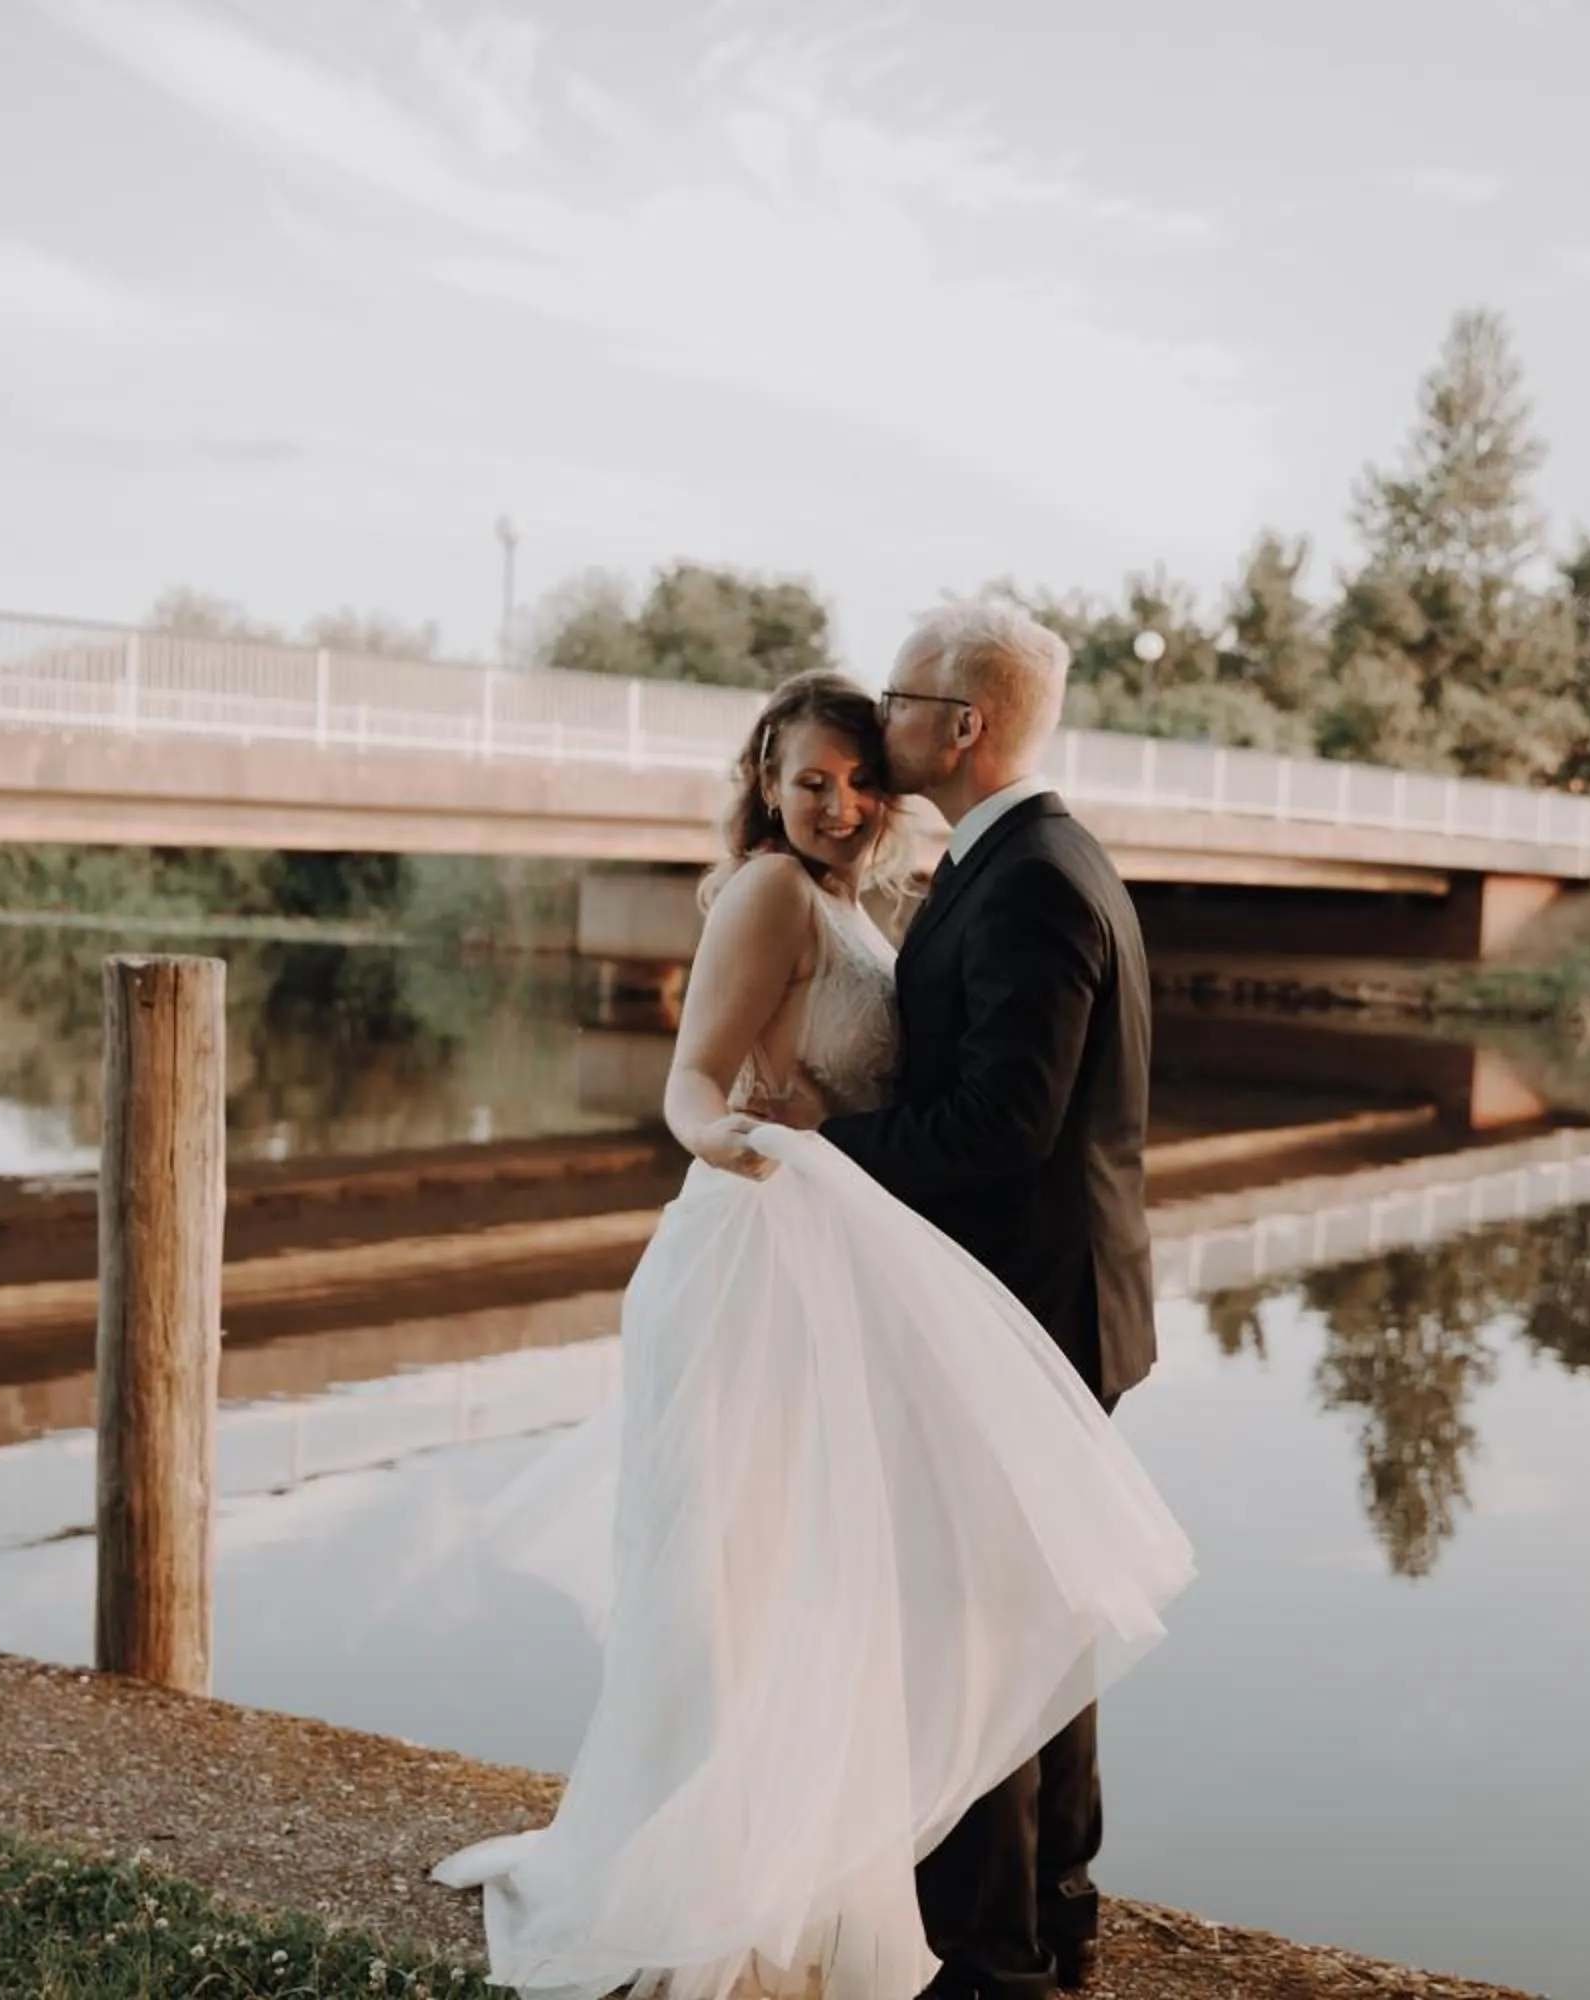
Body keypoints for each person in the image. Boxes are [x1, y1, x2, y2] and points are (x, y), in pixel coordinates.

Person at [432, 661, 1189, 2000]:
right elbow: (688, 1078)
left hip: (853, 1273)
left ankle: (890, 1884)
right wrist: (723, 1139)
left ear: (893, 786)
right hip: (757, 1259)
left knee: (836, 1583)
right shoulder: (773, 893)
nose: (836, 804)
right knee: (746, 1575)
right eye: (809, 783)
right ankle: (716, 1875)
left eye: (854, 782)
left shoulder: (885, 900)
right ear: (764, 788)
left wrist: (830, 1141)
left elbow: (968, 1104)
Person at [820, 604, 1157, 2000]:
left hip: (1026, 1306)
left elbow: (999, 1126)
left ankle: (992, 1959)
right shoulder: (1021, 857)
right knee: (1039, 1614)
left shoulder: (1030, 877)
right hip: (1045, 1300)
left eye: (896, 700)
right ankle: (1055, 1915)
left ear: (962, 726)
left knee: (977, 1628)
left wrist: (816, 1153)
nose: (874, 720)